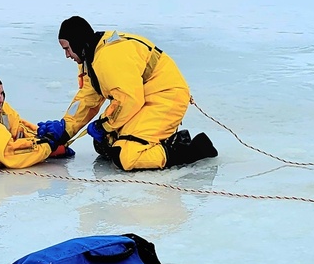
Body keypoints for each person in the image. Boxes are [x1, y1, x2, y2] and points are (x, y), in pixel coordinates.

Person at [38, 16, 217, 171]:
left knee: (125, 156)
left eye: (67, 48)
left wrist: (104, 125)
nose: (67, 55)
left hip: (166, 98)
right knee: (105, 143)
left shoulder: (107, 59)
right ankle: (160, 139)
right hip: (145, 97)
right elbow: (88, 98)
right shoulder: (92, 56)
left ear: (77, 42)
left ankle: (187, 149)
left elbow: (129, 100)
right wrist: (65, 129)